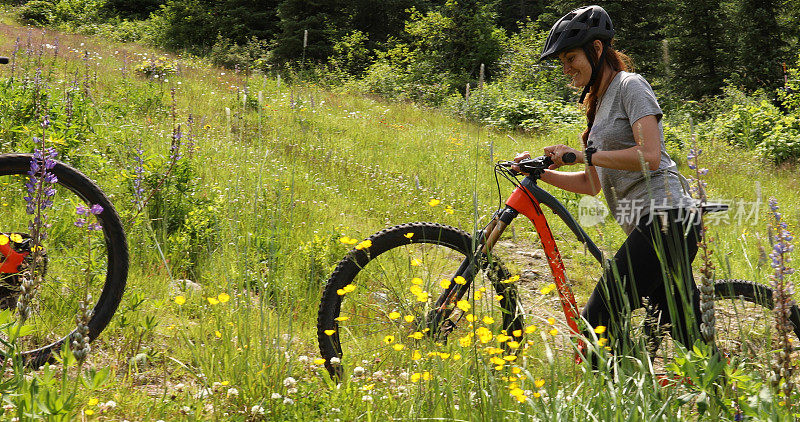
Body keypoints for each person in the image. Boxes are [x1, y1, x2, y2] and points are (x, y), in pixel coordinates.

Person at [514, 5, 703, 356]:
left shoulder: (631, 86)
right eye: (563, 62)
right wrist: (542, 174)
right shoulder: (597, 108)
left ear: (597, 50)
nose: (567, 68)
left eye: (571, 58)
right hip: (650, 229)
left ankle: (613, 395)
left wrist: (583, 154)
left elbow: (650, 156)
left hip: (667, 219)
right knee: (688, 336)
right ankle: (726, 396)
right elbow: (591, 184)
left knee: (596, 323)